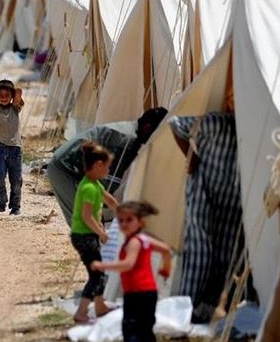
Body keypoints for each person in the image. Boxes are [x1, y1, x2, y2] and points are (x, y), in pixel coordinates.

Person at [169, 92, 246, 324]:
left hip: (234, 204)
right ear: (229, 103)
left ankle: (205, 309)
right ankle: (187, 306)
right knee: (200, 251)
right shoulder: (214, 122)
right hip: (205, 192)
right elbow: (175, 124)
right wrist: (191, 159)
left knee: (225, 257)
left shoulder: (254, 132)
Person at [46, 107, 168, 223]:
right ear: (147, 128)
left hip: (70, 167)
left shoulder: (128, 131)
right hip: (65, 168)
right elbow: (109, 181)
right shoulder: (126, 140)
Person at [92, 201, 173, 342]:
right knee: (146, 329)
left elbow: (128, 264)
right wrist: (166, 268)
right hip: (149, 292)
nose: (124, 224)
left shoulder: (134, 242)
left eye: (129, 220)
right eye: (121, 220)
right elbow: (165, 249)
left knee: (131, 330)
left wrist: (103, 265)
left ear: (140, 222)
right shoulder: (144, 239)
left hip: (136, 293)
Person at [70, 141, 117, 324]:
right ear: (98, 165)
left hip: (86, 236)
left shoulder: (95, 184)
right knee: (97, 275)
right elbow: (87, 217)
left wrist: (123, 211)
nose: (108, 171)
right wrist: (102, 233)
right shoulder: (89, 188)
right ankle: (81, 312)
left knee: (96, 272)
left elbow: (110, 201)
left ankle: (100, 307)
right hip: (84, 237)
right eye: (107, 167)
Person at [0, 80, 24, 215]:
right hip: (0, 148)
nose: (3, 98)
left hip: (15, 149)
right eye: (0, 96)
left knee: (16, 179)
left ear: (11, 96)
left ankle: (15, 206)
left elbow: (19, 91)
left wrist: (13, 95)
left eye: (6, 95)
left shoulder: (15, 108)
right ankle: (2, 202)